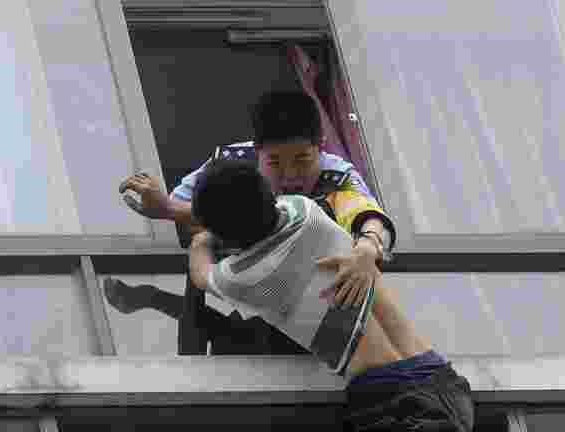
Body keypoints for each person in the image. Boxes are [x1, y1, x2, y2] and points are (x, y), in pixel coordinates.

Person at [186, 159, 502, 432]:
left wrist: (199, 239)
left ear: (229, 232)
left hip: (393, 406)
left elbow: (201, 274)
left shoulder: (249, 277)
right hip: (447, 389)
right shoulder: (305, 211)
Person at [108, 90, 396, 355]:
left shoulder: (339, 177)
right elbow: (184, 210)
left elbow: (369, 216)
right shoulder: (230, 163)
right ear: (256, 151)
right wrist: (168, 209)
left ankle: (152, 297)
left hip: (304, 289)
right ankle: (188, 362)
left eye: (302, 160)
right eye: (275, 164)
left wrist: (368, 247)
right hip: (245, 273)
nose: (291, 176)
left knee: (235, 333)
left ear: (320, 147)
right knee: (219, 321)